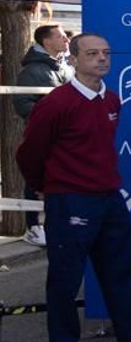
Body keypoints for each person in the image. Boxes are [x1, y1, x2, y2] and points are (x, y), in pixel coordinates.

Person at [16, 34, 131, 342]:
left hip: (109, 197)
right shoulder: (57, 103)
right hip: (71, 200)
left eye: (106, 53)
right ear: (73, 59)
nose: (102, 59)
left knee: (120, 268)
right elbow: (30, 152)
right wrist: (44, 186)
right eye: (92, 53)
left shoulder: (112, 100)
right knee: (66, 275)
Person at [13, 21, 72, 247]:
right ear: (46, 41)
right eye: (60, 36)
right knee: (35, 177)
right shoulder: (32, 70)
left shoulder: (64, 67)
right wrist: (46, 123)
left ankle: (52, 225)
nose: (66, 39)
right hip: (42, 137)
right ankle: (34, 227)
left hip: (63, 138)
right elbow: (21, 102)